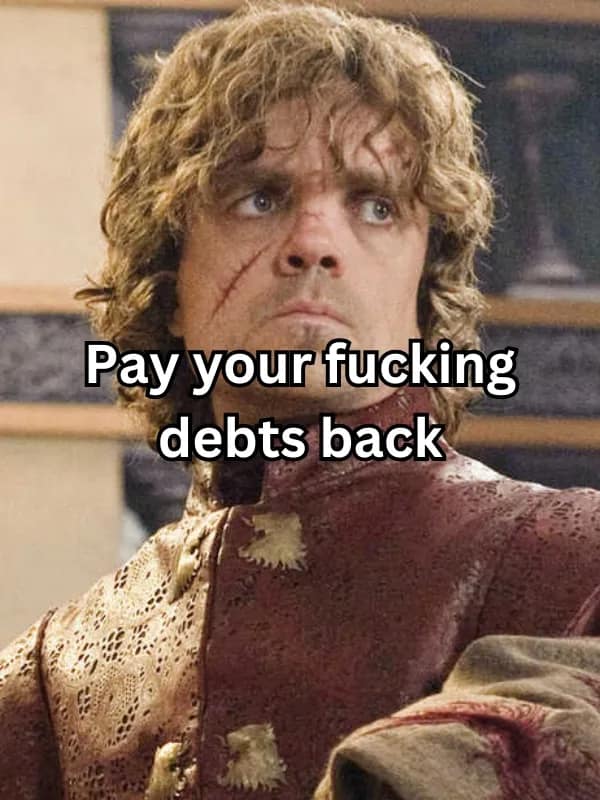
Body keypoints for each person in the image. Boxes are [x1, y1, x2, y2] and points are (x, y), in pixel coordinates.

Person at [1, 2, 599, 798]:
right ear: (170, 281)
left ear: (424, 289)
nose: (315, 242)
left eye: (376, 205)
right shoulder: (44, 678)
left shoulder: (577, 562)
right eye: (259, 197)